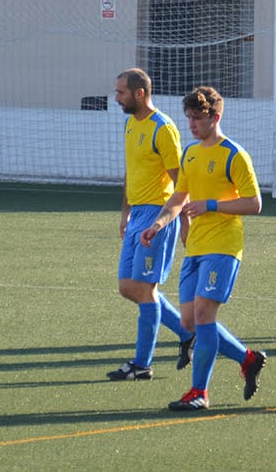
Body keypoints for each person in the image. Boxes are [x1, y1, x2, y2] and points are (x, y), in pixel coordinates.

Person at [141, 86, 266, 411]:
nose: (192, 124)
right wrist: (158, 224)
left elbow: (255, 203)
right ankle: (247, 358)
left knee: (202, 314)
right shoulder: (191, 154)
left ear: (216, 117)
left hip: (224, 246)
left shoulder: (234, 154)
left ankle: (199, 392)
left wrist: (211, 204)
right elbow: (179, 197)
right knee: (188, 322)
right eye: (190, 118)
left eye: (198, 118)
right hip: (195, 246)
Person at [107, 68, 193, 381]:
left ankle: (141, 364)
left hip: (158, 216)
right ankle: (186, 332)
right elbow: (131, 171)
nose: (117, 98)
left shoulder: (164, 128)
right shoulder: (131, 124)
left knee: (145, 289)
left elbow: (179, 180)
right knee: (128, 287)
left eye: (121, 92)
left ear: (140, 93)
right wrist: (124, 212)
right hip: (137, 216)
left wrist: (183, 221)